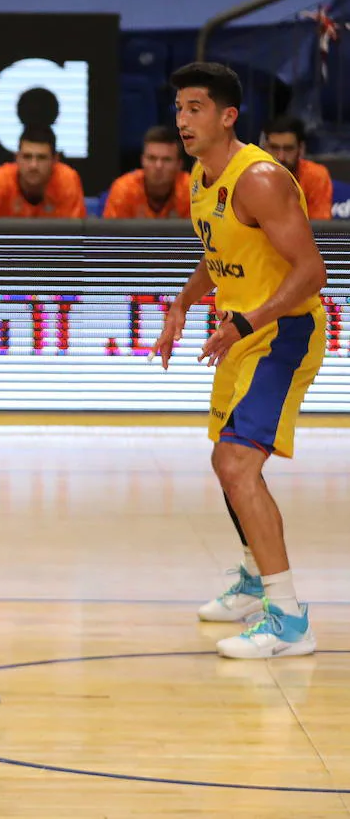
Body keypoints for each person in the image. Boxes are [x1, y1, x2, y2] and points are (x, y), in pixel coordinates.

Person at [153, 63, 326, 659]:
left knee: (235, 464)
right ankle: (256, 582)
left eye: (195, 108)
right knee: (225, 459)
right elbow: (219, 252)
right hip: (242, 330)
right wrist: (180, 304)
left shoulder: (259, 178)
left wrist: (248, 321)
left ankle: (290, 621)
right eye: (179, 108)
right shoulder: (203, 177)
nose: (182, 120)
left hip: (283, 331)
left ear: (228, 116)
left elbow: (312, 272)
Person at [0, 127, 85, 218]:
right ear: (17, 158)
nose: (33, 166)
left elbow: (77, 237)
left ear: (55, 160)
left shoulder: (67, 180)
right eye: (27, 157)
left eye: (41, 158)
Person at [102, 125, 190, 219]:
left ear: (179, 164)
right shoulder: (124, 189)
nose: (158, 166)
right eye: (152, 158)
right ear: (142, 160)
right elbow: (110, 232)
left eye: (166, 160)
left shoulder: (192, 190)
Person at [262, 115, 334, 220]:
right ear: (264, 147)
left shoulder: (316, 175)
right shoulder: (252, 176)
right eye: (274, 148)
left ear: (301, 148)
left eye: (288, 148)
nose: (281, 157)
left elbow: (320, 227)